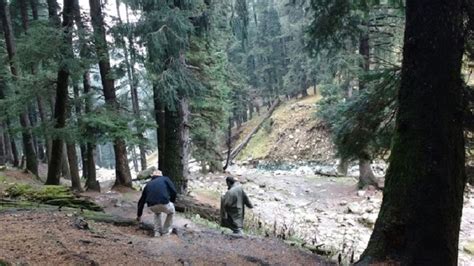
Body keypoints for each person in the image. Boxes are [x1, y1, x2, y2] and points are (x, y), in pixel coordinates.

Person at [137, 170, 177, 237]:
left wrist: (139, 215)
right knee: (171, 212)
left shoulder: (148, 184)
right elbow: (174, 191)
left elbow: (141, 201)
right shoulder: (165, 179)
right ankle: (165, 232)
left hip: (151, 206)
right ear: (161, 175)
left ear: (152, 176)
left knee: (157, 213)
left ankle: (157, 232)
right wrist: (171, 201)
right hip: (164, 203)